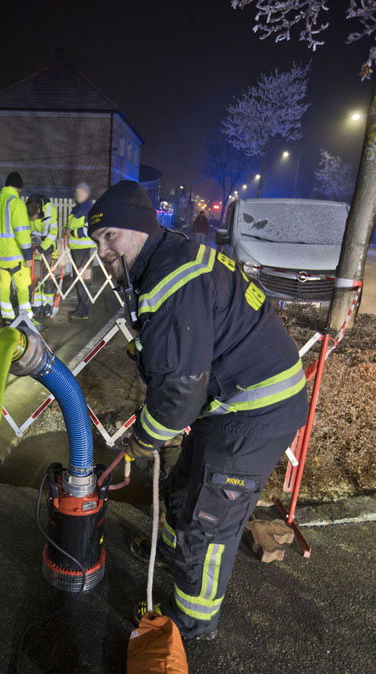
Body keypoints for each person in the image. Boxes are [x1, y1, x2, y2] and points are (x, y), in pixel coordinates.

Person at [87, 180, 307, 643]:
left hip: (255, 411)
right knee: (185, 485)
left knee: (209, 521)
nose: (102, 250)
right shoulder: (166, 259)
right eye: (96, 240)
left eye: (110, 236)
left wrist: (144, 439)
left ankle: (189, 620)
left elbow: (181, 391)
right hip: (231, 402)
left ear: (141, 228)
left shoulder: (170, 280)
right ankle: (170, 553)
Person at [0, 172, 41, 327]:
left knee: (4, 287)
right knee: (24, 288)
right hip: (16, 256)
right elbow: (23, 233)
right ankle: (26, 320)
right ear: (19, 189)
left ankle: (8, 318)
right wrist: (28, 256)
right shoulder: (16, 204)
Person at [64, 182, 95, 320]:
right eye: (76, 192)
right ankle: (82, 309)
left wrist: (71, 232)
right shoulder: (76, 209)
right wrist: (66, 229)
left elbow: (89, 229)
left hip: (84, 250)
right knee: (81, 280)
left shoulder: (89, 209)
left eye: (80, 192)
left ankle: (83, 310)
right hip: (77, 250)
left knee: (83, 280)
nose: (77, 195)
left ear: (86, 194)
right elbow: (71, 225)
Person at [27, 194, 58, 318]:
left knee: (47, 278)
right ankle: (35, 306)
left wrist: (41, 248)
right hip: (34, 247)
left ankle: (47, 306)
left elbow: (53, 233)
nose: (33, 221)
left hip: (47, 248)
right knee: (35, 277)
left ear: (39, 210)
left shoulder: (50, 210)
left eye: (34, 218)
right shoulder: (26, 210)